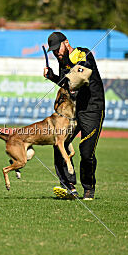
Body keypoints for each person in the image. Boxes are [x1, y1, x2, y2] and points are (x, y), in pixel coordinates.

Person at [43, 32, 105, 200]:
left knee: (86, 152)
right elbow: (67, 84)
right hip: (73, 111)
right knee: (59, 143)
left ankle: (88, 188)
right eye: (54, 51)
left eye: (58, 49)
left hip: (92, 109)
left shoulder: (81, 53)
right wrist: (53, 77)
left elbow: (81, 77)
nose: (57, 53)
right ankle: (68, 186)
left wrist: (68, 67)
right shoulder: (61, 62)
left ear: (66, 43)